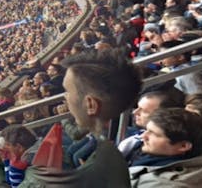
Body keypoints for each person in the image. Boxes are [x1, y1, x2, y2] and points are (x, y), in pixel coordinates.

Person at [19, 50, 143, 187]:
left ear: (90, 105)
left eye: (68, 91)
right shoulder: (110, 153)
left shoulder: (91, 173)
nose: (65, 98)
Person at [128, 108, 202, 187]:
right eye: (146, 130)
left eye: (154, 134)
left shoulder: (163, 184)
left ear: (183, 146)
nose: (143, 136)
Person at [117, 88, 186, 163]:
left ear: (163, 114)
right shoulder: (129, 132)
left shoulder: (158, 150)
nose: (135, 112)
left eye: (144, 111)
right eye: (137, 107)